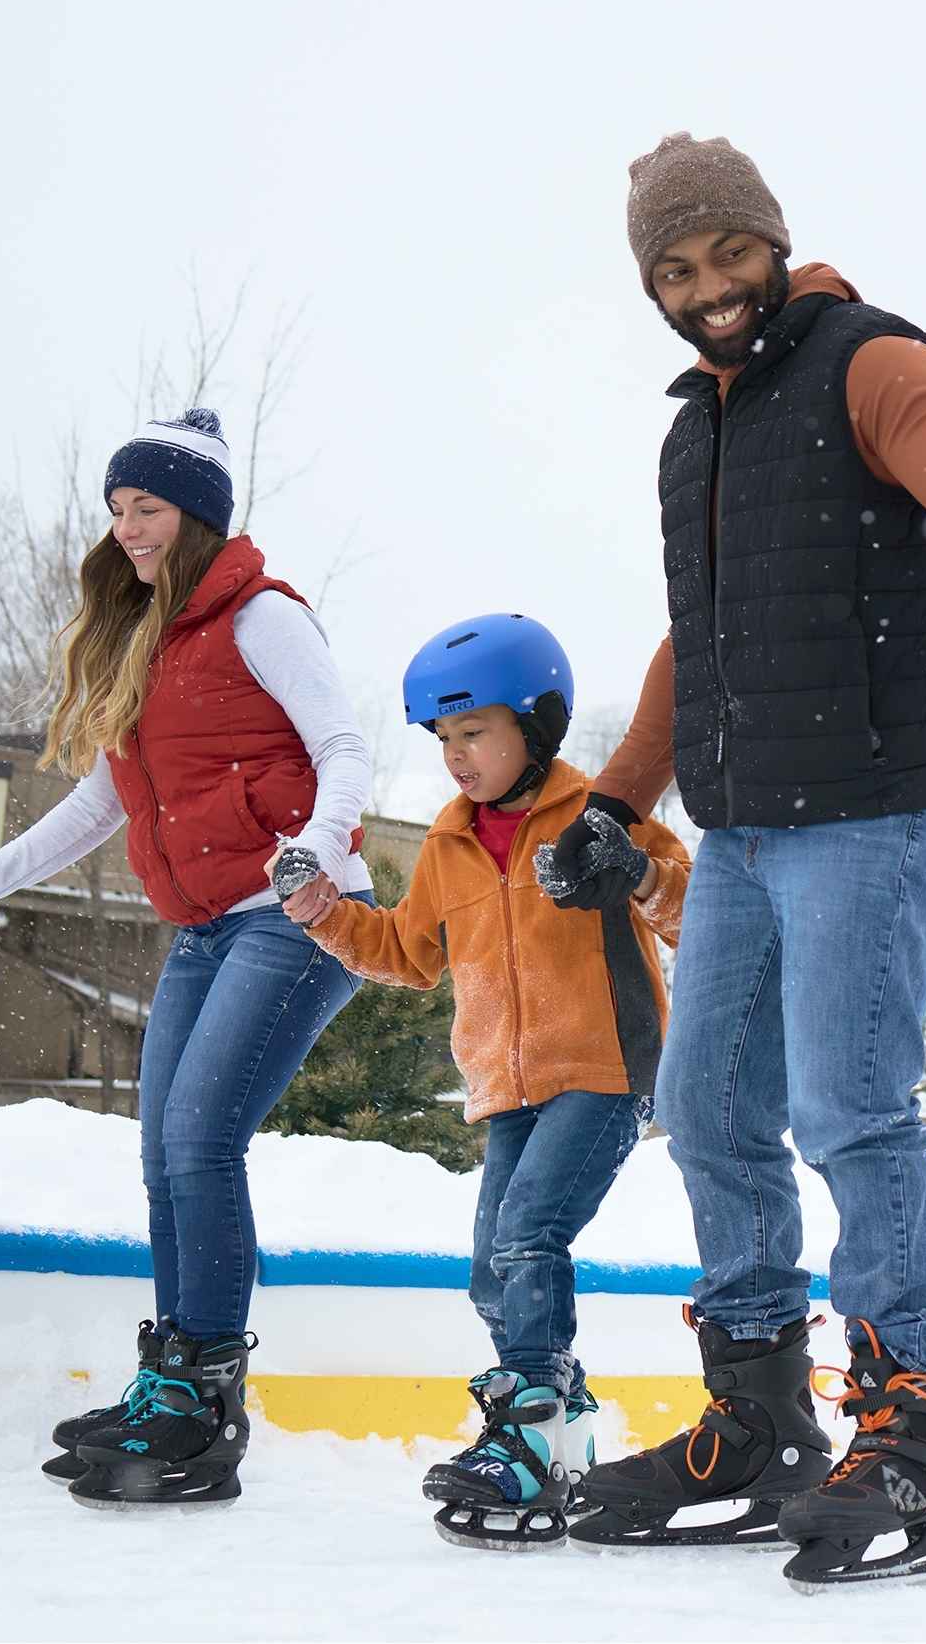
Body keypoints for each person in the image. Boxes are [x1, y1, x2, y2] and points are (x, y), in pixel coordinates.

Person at [534, 133, 926, 1590]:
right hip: (750, 815)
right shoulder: (697, 432)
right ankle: (761, 1414)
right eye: (675, 269)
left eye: (727, 255)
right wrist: (616, 798)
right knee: (708, 1104)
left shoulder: (867, 364)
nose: (708, 289)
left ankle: (913, 1430)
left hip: (889, 797)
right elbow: (702, 634)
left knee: (851, 1107)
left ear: (772, 247)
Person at [0, 408, 374, 1510]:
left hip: (297, 917)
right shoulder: (148, 644)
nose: (128, 529)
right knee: (164, 1153)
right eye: (116, 511)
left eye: (147, 507)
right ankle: (174, 1378)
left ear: (197, 513)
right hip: (209, 928)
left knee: (203, 1141)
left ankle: (205, 1403)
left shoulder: (262, 617)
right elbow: (98, 805)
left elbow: (343, 745)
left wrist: (317, 845)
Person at [279, 612, 690, 1552]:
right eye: (444, 740)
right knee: (489, 1269)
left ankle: (531, 1429)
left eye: (477, 733)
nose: (456, 758)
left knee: (531, 1230)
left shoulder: (602, 819)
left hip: (607, 1069)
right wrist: (321, 911)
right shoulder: (449, 845)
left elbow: (690, 914)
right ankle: (565, 1416)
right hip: (507, 1088)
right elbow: (405, 952)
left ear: (537, 726)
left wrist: (633, 875)